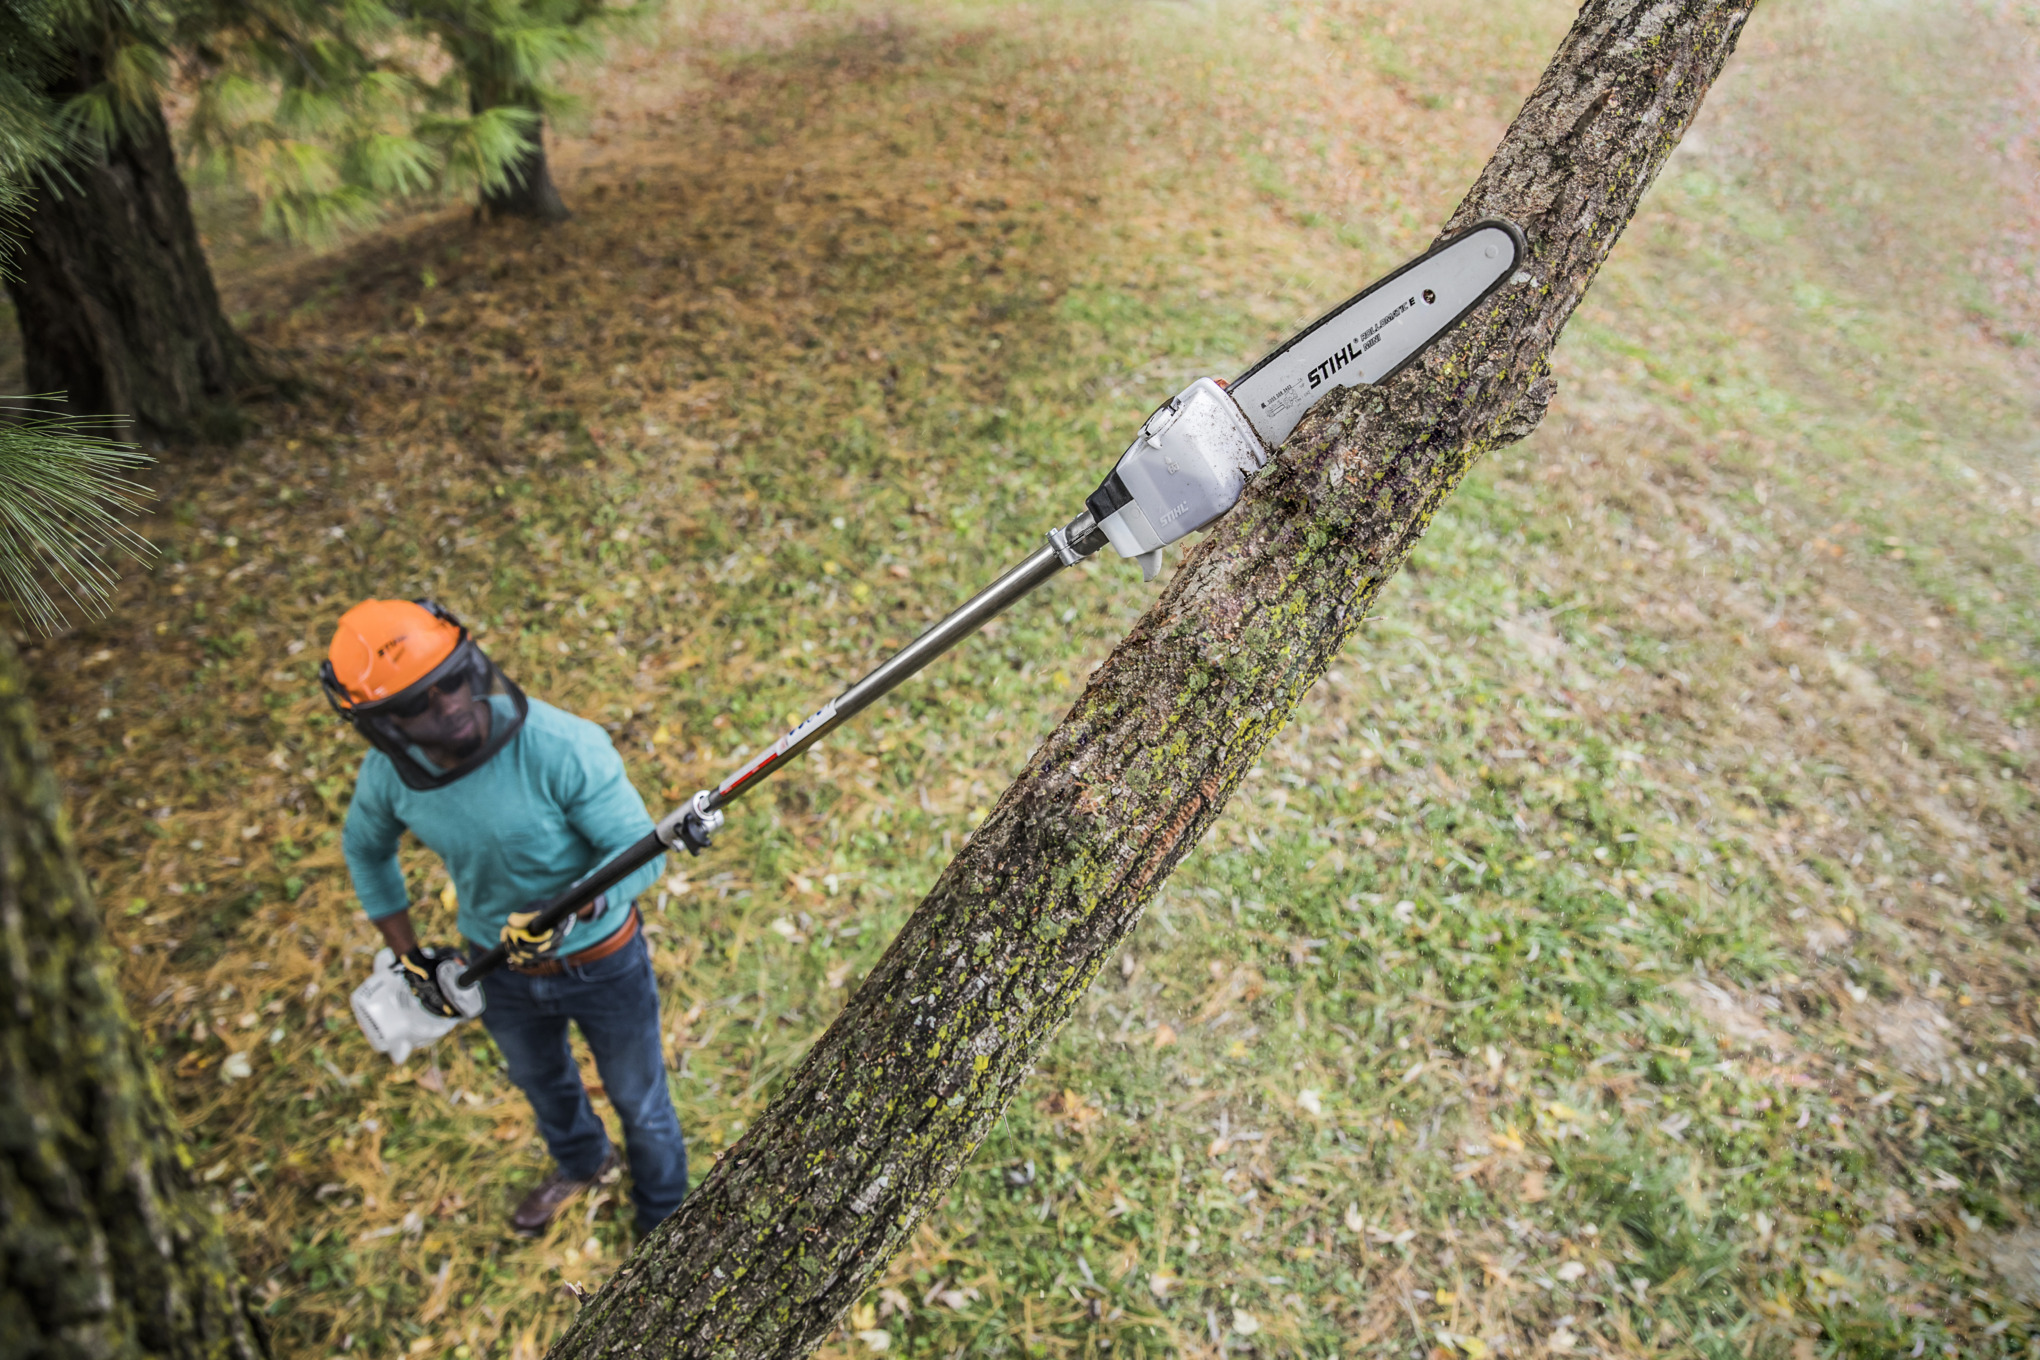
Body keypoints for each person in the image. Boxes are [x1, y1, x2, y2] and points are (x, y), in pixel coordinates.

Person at [324, 598, 686, 1238]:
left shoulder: (563, 746)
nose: (448, 706)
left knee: (639, 1098)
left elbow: (642, 854)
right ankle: (584, 1162)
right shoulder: (390, 778)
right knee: (541, 1083)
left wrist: (576, 904)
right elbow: (365, 849)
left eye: (452, 681)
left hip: (604, 963)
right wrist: (408, 954)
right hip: (497, 969)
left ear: (472, 667)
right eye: (418, 703)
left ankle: (663, 1219)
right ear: (383, 724)